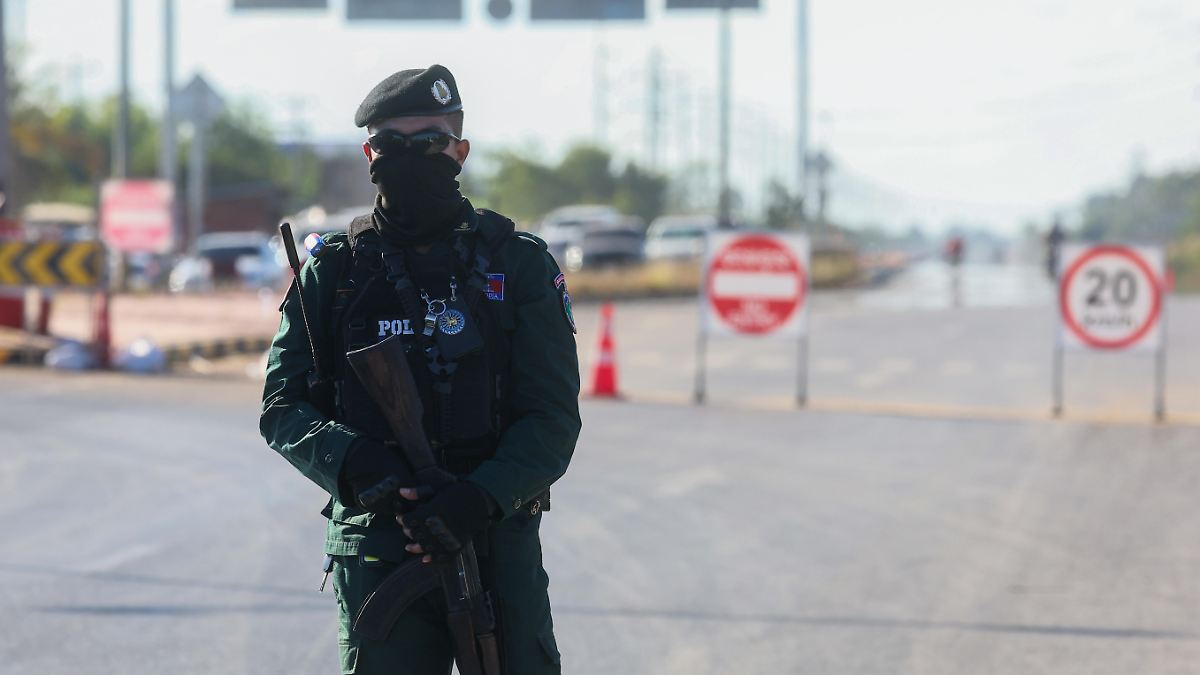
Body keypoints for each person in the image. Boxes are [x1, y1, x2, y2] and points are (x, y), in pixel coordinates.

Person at [260, 64, 581, 675]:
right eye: (392, 145)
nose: (410, 157)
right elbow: (282, 406)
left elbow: (551, 417)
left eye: (428, 142)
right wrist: (355, 464)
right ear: (368, 152)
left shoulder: (518, 265)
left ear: (459, 150)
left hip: (493, 533)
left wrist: (478, 498)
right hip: (380, 540)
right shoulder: (334, 272)